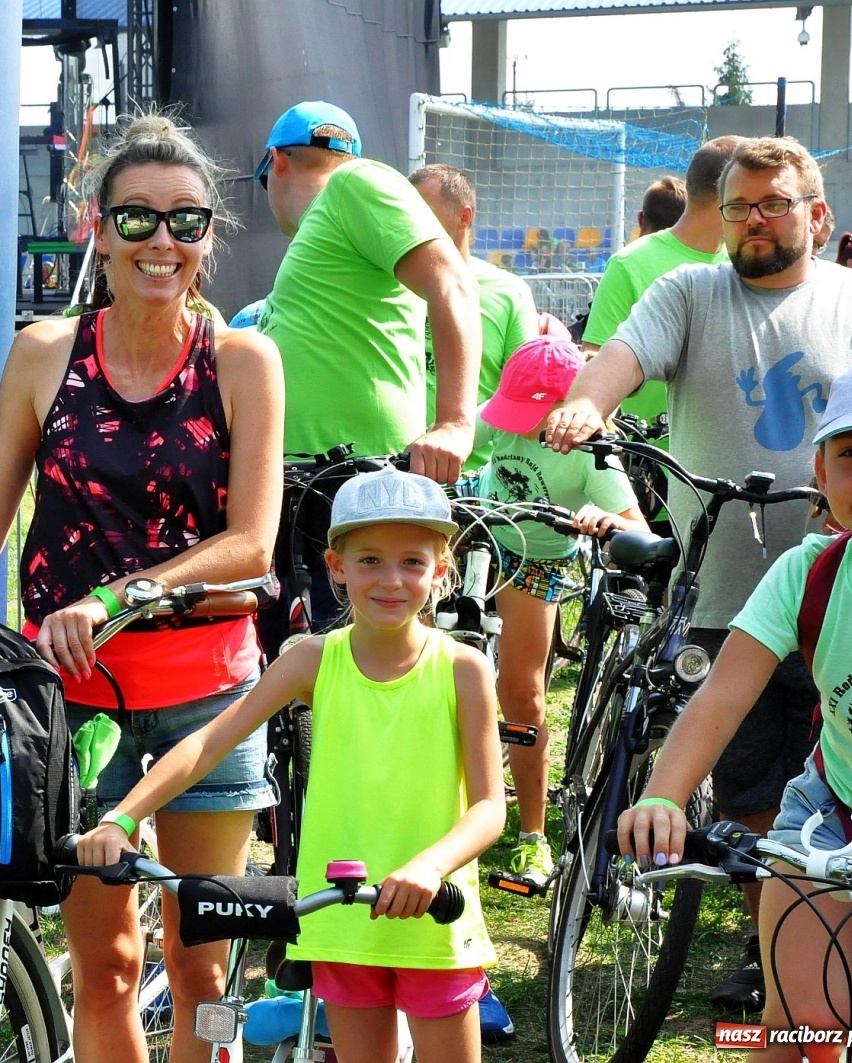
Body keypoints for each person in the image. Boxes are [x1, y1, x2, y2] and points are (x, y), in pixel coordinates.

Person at [0, 114, 284, 1063]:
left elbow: (252, 542)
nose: (162, 243)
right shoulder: (44, 354)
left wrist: (117, 597)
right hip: (71, 703)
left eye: (187, 222)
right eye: (137, 219)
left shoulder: (241, 363)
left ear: (210, 239)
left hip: (207, 698)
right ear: (95, 227)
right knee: (101, 964)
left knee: (200, 967)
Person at [545, 135, 852, 1013]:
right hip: (724, 592)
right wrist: (589, 398)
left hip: (845, 577)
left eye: (774, 203)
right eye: (738, 207)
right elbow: (623, 353)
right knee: (747, 779)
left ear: (816, 213)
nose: (755, 220)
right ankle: (772, 923)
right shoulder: (690, 290)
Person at [76, 467, 505, 1063]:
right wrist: (122, 818)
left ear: (441, 569)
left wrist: (430, 868)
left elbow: (489, 808)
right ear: (336, 567)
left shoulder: (463, 670)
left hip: (435, 919)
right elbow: (209, 742)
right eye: (370, 561)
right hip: (340, 918)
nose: (391, 580)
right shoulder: (311, 660)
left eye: (412, 562)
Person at [618, 357, 852, 1062]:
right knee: (804, 1026)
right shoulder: (807, 572)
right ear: (821, 476)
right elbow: (722, 695)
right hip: (834, 817)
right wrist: (664, 796)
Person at [473, 338, 647, 888]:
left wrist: (606, 518)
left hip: (535, 560)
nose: (515, 428)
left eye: (532, 419)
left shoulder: (595, 454)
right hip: (479, 538)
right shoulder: (499, 419)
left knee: (521, 692)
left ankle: (531, 835)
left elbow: (639, 530)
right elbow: (459, 443)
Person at [253, 101, 481, 485]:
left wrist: (455, 424)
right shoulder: (334, 216)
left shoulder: (353, 183)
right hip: (323, 483)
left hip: (359, 481)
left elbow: (453, 282)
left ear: (276, 162)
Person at [582, 136, 742, 430]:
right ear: (729, 194)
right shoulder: (629, 264)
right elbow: (593, 364)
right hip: (648, 459)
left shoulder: (741, 264)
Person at [410, 163, 537, 473]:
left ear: (464, 217)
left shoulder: (510, 293)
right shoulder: (388, 285)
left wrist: (460, 436)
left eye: (423, 211)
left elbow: (526, 391)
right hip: (390, 473)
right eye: (407, 212)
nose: (410, 222)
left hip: (472, 483)